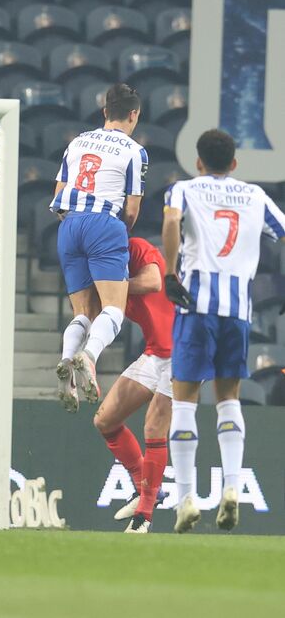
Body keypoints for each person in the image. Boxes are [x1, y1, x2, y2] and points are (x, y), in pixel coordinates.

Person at [162, 128, 285, 533]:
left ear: (198, 161)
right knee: (228, 397)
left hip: (196, 306)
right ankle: (232, 487)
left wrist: (169, 270)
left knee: (184, 400)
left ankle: (185, 499)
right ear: (234, 164)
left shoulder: (184, 189)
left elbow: (171, 220)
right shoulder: (254, 196)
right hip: (238, 311)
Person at [51, 84, 149, 410]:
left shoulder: (77, 141)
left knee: (83, 312)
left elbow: (60, 188)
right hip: (103, 222)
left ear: (105, 111)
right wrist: (117, 233)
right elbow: (132, 208)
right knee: (113, 310)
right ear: (134, 114)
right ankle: (88, 357)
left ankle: (66, 361)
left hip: (69, 224)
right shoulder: (135, 151)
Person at [91, 238, 173, 533]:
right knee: (105, 420)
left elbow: (153, 282)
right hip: (155, 353)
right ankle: (148, 488)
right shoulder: (108, 287)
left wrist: (116, 285)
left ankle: (144, 515)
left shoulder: (135, 248)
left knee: (153, 428)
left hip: (184, 351)